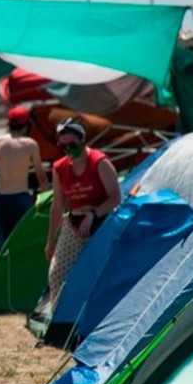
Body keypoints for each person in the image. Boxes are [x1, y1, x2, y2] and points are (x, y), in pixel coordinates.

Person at [45, 117, 121, 310]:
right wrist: (51, 240)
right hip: (73, 223)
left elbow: (115, 197)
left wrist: (93, 214)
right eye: (63, 147)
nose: (68, 150)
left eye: (72, 144)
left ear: (83, 139)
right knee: (57, 272)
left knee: (99, 273)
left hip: (101, 221)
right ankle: (58, 321)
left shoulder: (99, 162)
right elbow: (58, 204)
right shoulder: (60, 168)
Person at [0, 106, 50, 250]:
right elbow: (41, 177)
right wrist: (46, 201)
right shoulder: (30, 144)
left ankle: (7, 272)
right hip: (21, 198)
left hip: (1, 199)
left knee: (4, 246)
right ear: (26, 126)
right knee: (25, 243)